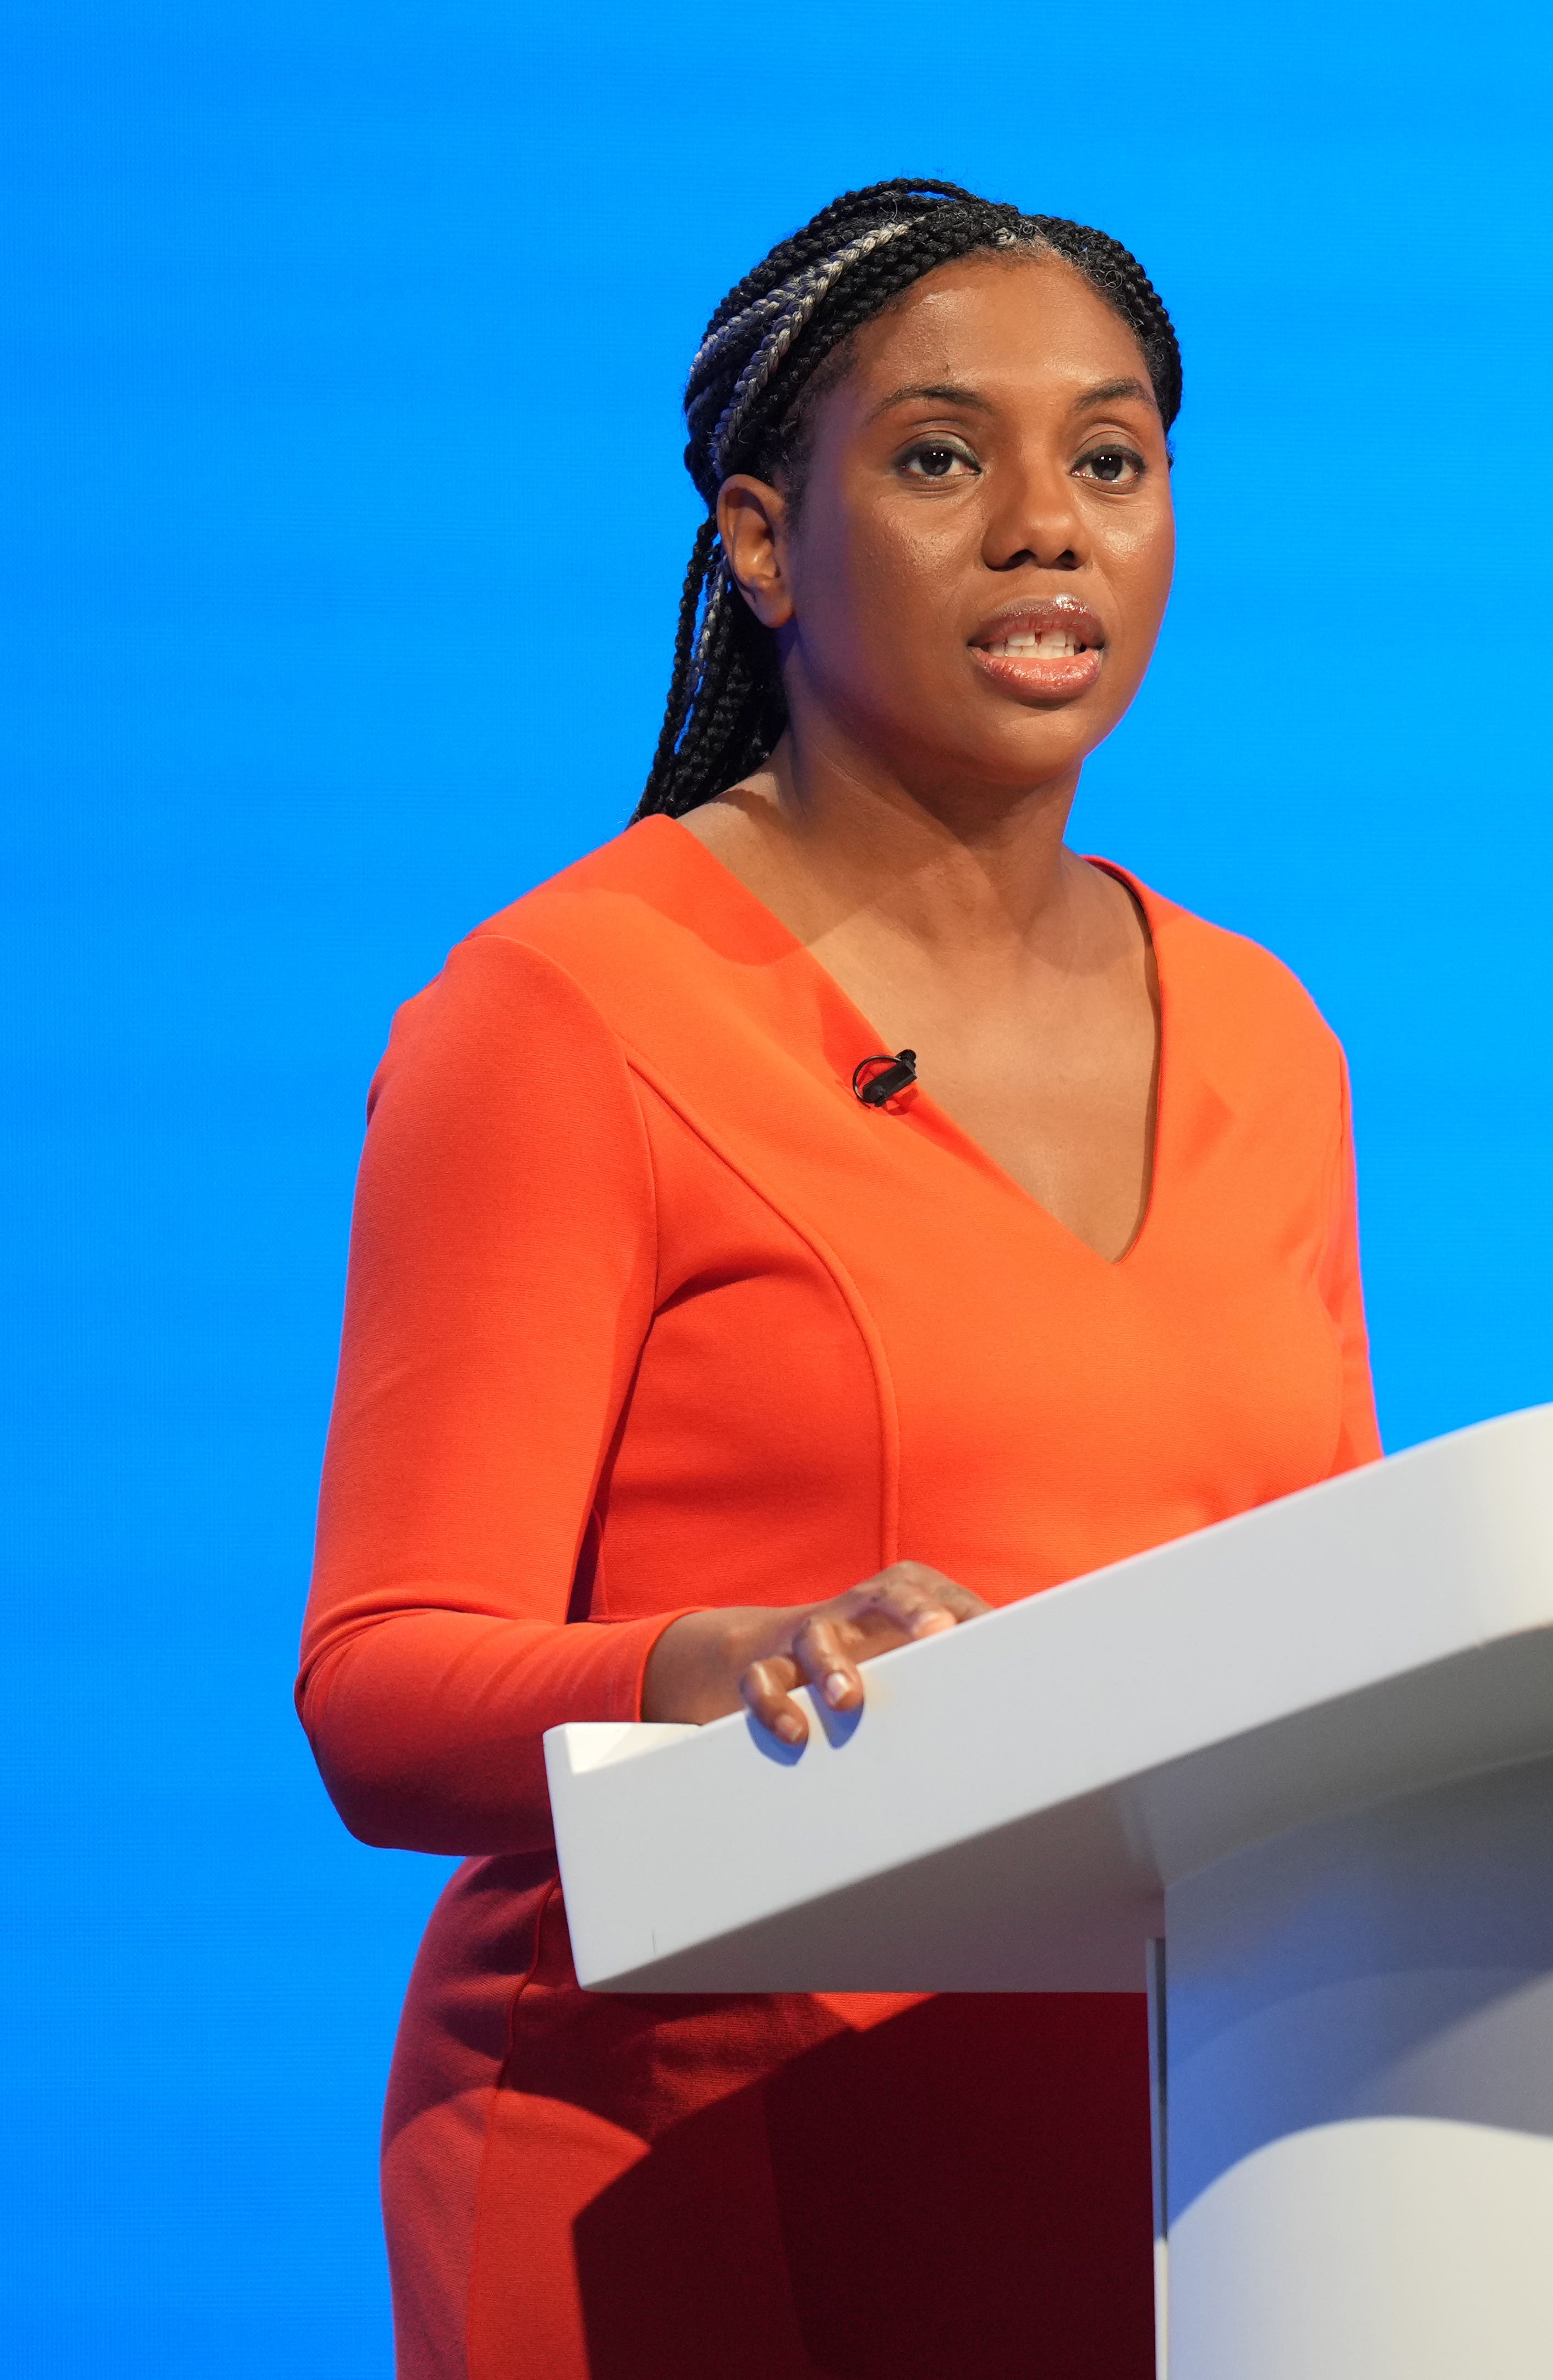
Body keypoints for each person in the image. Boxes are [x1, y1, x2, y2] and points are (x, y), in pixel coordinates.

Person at [297, 179, 1382, 2379]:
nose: (1044, 527)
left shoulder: (1267, 1030)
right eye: (937, 456)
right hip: (690, 2174)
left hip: (1174, 2182)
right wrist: (718, 1660)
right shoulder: (567, 1007)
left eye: (1109, 458)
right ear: (764, 540)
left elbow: (1331, 1620)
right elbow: (380, 1688)